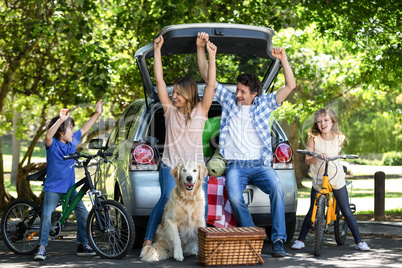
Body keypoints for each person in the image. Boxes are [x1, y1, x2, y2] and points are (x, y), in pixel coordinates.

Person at [198, 38, 296, 257]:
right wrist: (203, 51)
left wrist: (283, 59)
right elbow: (207, 77)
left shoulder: (264, 104)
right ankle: (253, 233)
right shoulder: (229, 101)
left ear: (254, 94)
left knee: (278, 191)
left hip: (260, 165)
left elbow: (291, 86)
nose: (238, 94)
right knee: (234, 196)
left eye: (243, 91)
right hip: (236, 166)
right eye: (238, 90)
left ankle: (278, 239)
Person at [142, 33, 217, 247]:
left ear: (188, 93)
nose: (174, 96)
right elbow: (159, 80)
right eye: (173, 93)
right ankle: (148, 240)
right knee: (167, 198)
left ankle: (201, 244)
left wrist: (211, 56)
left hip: (196, 169)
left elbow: (210, 85)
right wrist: (157, 50)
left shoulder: (201, 111)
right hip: (171, 167)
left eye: (178, 93)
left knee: (201, 205)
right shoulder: (169, 111)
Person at [291, 108, 370, 251]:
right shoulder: (313, 137)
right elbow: (308, 160)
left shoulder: (339, 138)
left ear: (332, 121)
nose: (323, 123)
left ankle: (359, 242)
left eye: (326, 120)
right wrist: (318, 156)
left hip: (336, 176)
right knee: (313, 209)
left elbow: (336, 156)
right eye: (319, 121)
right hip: (319, 178)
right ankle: (301, 240)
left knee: (346, 210)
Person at [34, 100, 104, 261]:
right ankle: (42, 247)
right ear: (61, 133)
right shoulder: (52, 144)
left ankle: (82, 244)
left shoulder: (72, 142)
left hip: (69, 187)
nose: (73, 131)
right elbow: (47, 135)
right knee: (47, 215)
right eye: (70, 128)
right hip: (53, 187)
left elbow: (85, 128)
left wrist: (97, 113)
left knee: (83, 214)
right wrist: (60, 120)